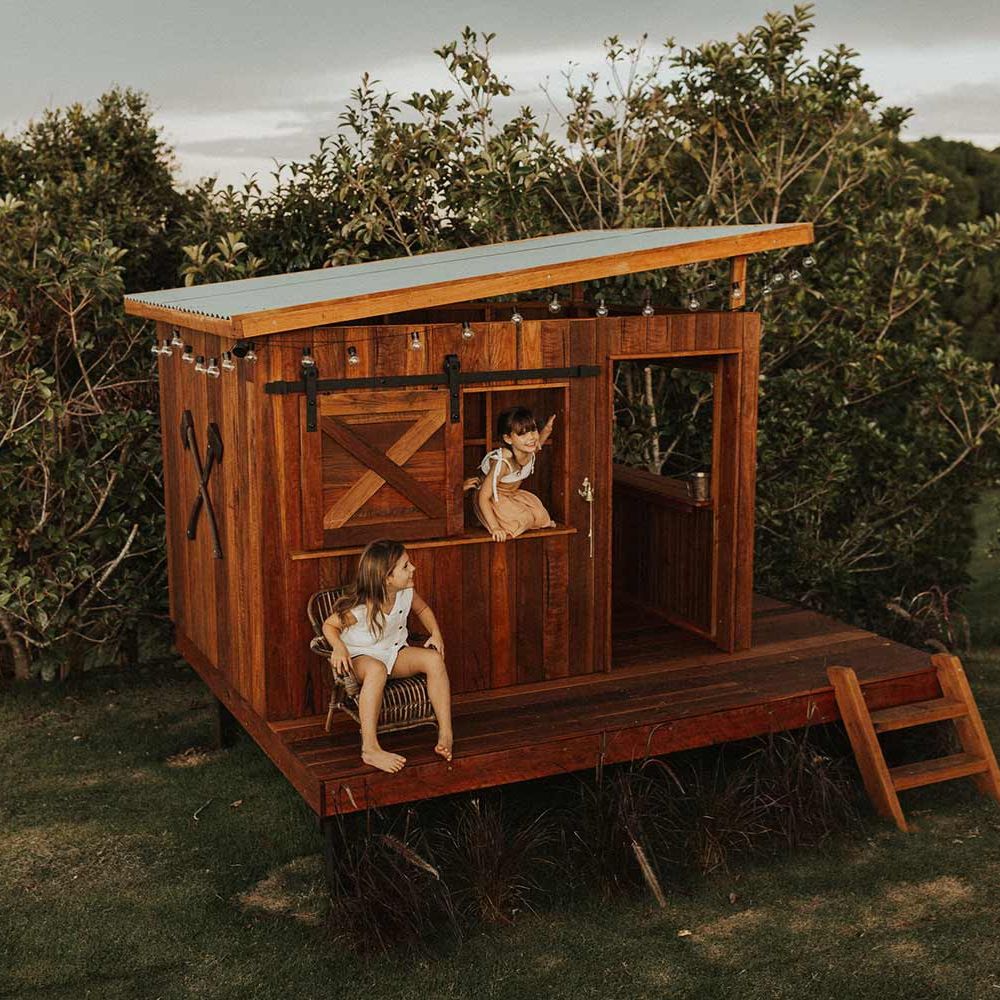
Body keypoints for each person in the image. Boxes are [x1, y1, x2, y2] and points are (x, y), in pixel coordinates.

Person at [321, 540, 453, 774]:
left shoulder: (405, 592)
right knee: (376, 669)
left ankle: (446, 732)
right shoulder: (360, 609)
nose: (413, 568)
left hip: (393, 653)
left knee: (434, 660)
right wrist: (339, 648)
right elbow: (329, 626)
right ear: (386, 578)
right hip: (362, 658)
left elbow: (422, 610)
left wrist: (436, 634)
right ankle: (370, 748)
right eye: (405, 566)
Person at [464, 406, 557, 542]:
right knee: (524, 519)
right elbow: (484, 497)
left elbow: (539, 442)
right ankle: (493, 520)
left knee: (541, 516)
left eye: (533, 430)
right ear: (508, 439)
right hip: (492, 499)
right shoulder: (503, 463)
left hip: (512, 494)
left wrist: (547, 429)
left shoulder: (528, 450)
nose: (531, 437)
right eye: (522, 434)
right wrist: (495, 527)